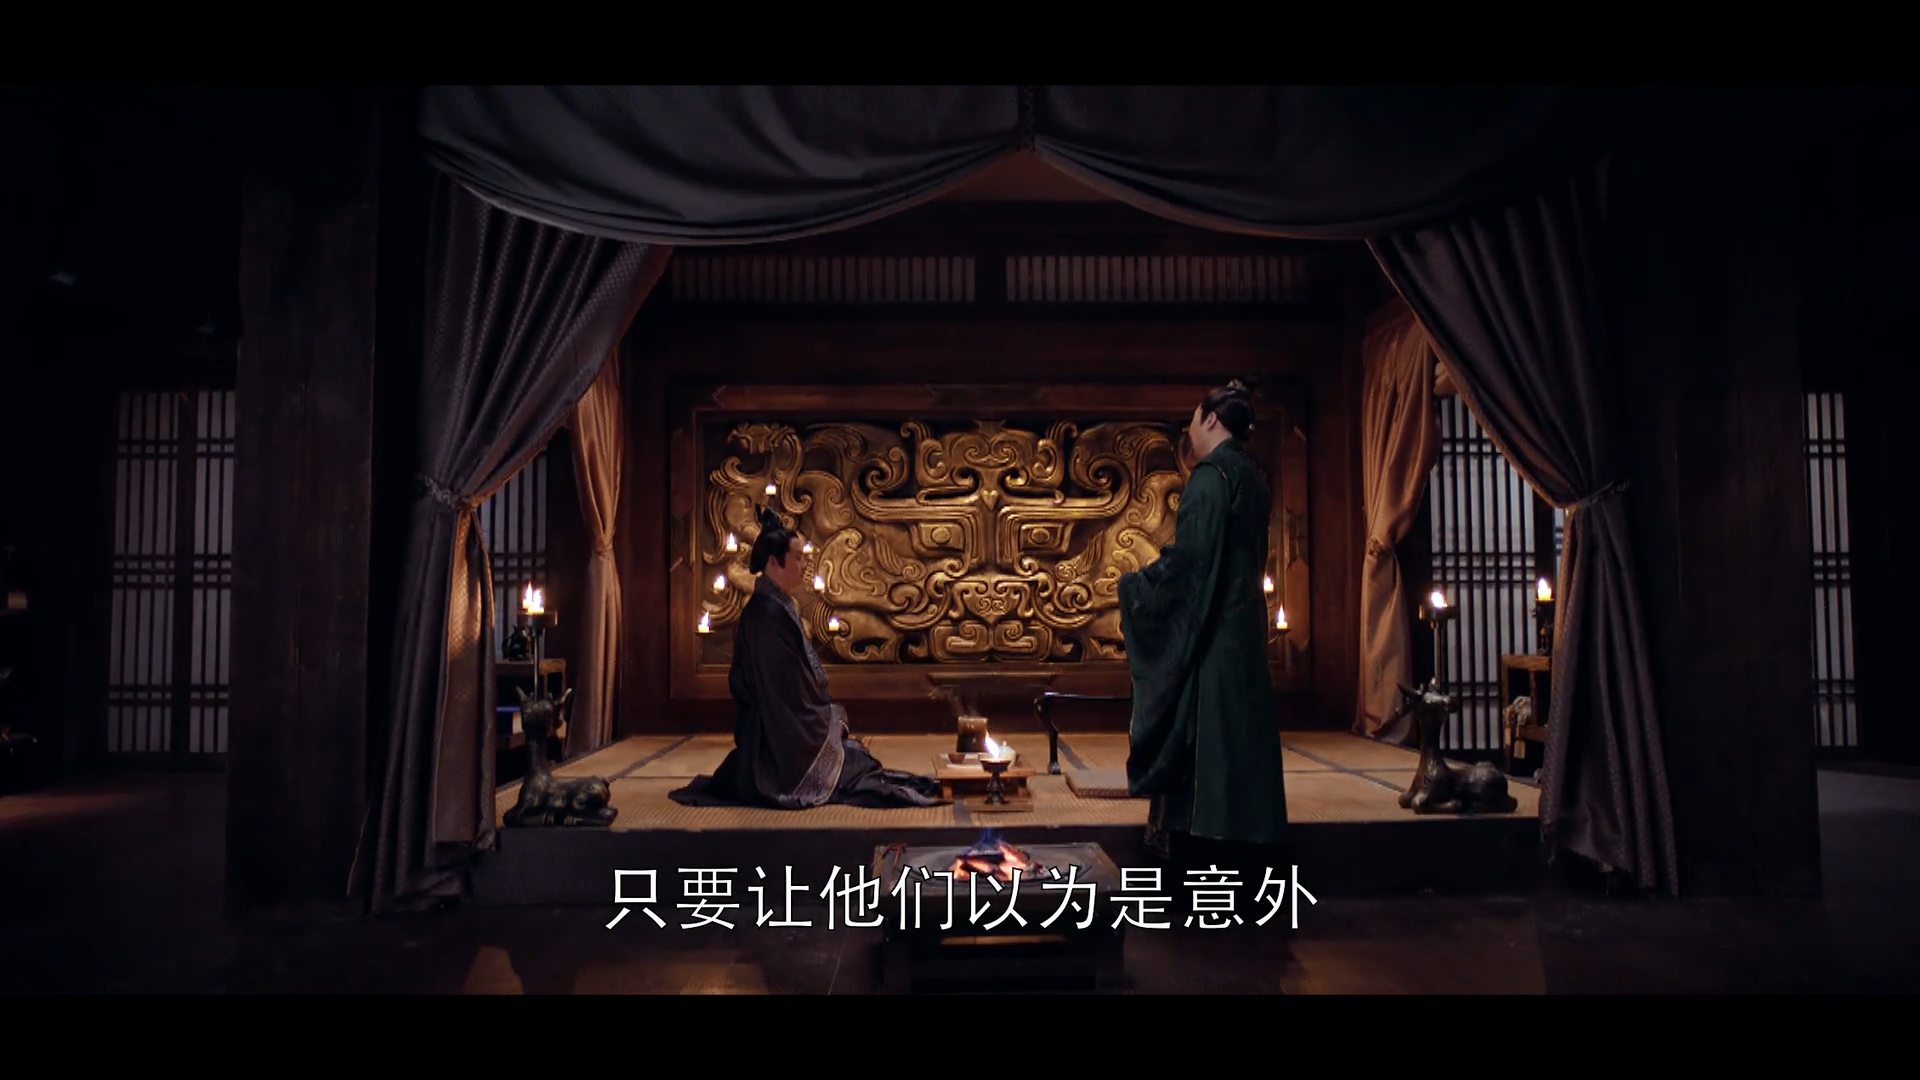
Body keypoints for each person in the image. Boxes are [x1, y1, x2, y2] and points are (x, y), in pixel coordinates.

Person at [1122, 379, 1291, 886]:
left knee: (1206, 747)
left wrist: (1136, 587)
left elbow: (1192, 563)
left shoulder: (1211, 476)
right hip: (1244, 631)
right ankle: (1255, 871)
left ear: (1212, 419)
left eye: (1194, 418)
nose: (1191, 428)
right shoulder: (1250, 476)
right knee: (1244, 745)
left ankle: (1203, 869)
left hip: (1212, 636)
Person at [670, 506, 943, 809]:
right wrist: (824, 722)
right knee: (859, 771)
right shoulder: (764, 616)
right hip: (779, 742)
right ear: (774, 561)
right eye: (798, 558)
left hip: (794, 724)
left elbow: (794, 685)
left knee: (862, 763)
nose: (804, 564)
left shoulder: (778, 607)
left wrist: (823, 715)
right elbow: (782, 695)